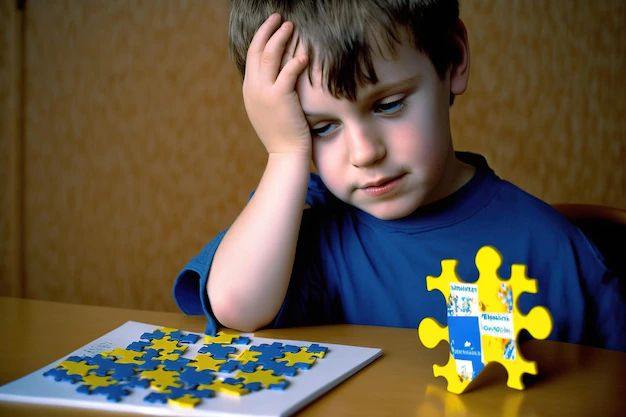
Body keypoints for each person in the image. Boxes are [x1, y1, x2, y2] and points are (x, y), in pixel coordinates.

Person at [173, 0, 625, 352]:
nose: (365, 152)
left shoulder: (556, 249)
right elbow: (234, 306)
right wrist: (286, 151)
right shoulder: (302, 225)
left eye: (388, 105)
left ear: (453, 58)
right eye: (321, 128)